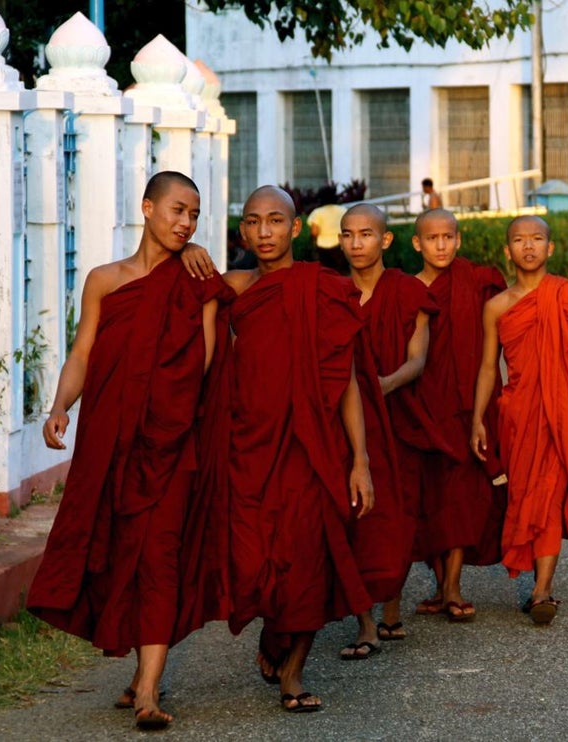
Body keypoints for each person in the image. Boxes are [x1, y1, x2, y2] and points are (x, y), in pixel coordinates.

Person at [27, 171, 230, 731]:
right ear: (147, 208)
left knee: (161, 554)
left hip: (171, 442)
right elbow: (83, 352)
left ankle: (147, 687)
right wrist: (60, 405)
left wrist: (171, 419)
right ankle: (136, 667)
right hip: (109, 439)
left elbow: (205, 363)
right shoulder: (104, 280)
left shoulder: (198, 280)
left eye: (195, 214)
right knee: (117, 549)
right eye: (177, 210)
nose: (186, 222)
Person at [188, 185, 378, 713]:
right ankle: (273, 636)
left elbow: (347, 381)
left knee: (306, 558)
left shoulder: (323, 288)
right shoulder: (231, 287)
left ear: (295, 229)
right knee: (251, 560)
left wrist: (359, 461)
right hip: (244, 446)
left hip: (308, 449)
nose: (265, 232)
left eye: (276, 221)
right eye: (253, 222)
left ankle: (293, 671)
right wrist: (185, 249)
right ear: (242, 230)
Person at [471, 215, 568, 625]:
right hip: (520, 413)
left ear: (550, 248)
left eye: (537, 238)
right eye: (519, 240)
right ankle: (539, 583)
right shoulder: (497, 307)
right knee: (526, 494)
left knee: (552, 492)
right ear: (508, 251)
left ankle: (542, 589)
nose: (529, 246)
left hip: (565, 413)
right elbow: (489, 367)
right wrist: (477, 419)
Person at [337, 203, 448, 655]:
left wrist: (376, 386)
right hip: (348, 425)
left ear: (385, 240)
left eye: (366, 234)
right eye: (347, 234)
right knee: (357, 518)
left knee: (397, 517)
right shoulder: (332, 292)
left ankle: (390, 610)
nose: (356, 243)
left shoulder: (406, 291)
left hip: (395, 417)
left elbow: (417, 360)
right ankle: (364, 620)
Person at [412, 208, 507, 622]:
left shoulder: (475, 282)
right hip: (421, 405)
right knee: (425, 498)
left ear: (458, 239)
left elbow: (494, 348)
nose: (442, 246)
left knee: (460, 497)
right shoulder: (407, 289)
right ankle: (439, 584)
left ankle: (452, 586)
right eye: (432, 239)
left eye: (448, 237)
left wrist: (483, 411)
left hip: (466, 405)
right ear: (418, 244)